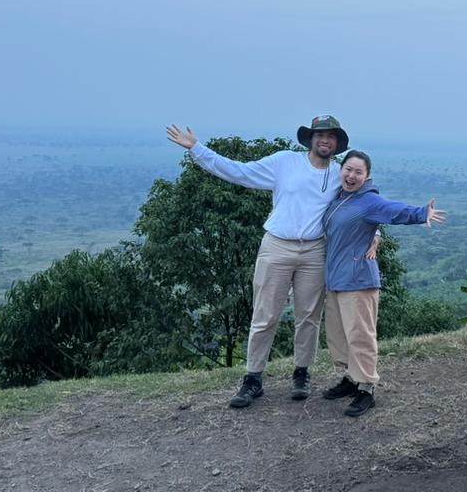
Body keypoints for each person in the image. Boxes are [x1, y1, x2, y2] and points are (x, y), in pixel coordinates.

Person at [166, 116, 377, 408]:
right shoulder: (284, 162)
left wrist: (375, 233)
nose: (325, 140)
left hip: (315, 250)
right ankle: (253, 378)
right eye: (320, 135)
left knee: (309, 317)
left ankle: (302, 373)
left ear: (337, 143)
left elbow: (360, 205)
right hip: (277, 246)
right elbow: (239, 172)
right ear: (311, 139)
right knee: (265, 315)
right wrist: (197, 149)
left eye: (331, 136)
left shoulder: (340, 176)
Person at [319, 150, 445, 416]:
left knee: (360, 335)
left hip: (358, 280)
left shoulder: (368, 201)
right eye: (348, 169)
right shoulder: (339, 197)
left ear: (367, 177)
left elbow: (392, 210)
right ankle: (351, 379)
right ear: (341, 170)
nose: (352, 176)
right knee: (340, 333)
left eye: (358, 172)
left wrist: (422, 213)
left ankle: (367, 388)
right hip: (336, 279)